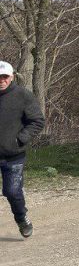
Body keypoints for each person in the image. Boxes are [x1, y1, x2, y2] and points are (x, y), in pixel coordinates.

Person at [0, 60, 45, 238]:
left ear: (12, 77)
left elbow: (37, 121)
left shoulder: (23, 95)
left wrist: (21, 139)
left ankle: (22, 219)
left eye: (5, 76)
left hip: (13, 155)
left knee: (12, 191)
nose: (2, 80)